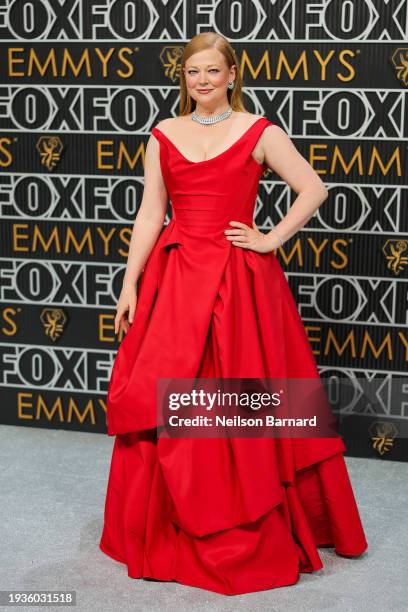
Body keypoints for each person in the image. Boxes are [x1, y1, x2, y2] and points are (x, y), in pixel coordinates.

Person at [99, 32, 368, 596]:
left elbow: (312, 189)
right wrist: (130, 282)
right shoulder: (163, 135)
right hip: (174, 281)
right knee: (168, 394)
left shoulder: (259, 131)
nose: (202, 81)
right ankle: (173, 521)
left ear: (231, 74)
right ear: (184, 77)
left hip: (238, 283)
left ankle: (247, 510)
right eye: (193, 71)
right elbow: (151, 214)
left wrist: (269, 239)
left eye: (212, 71)